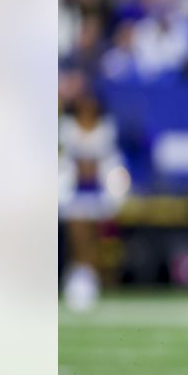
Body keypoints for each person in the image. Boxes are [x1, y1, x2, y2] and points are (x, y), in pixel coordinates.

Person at [59, 92, 127, 311]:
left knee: (101, 231)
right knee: (78, 225)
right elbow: (63, 165)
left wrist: (114, 194)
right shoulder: (66, 130)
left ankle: (90, 275)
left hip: (101, 192)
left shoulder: (107, 130)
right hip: (72, 192)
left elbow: (113, 165)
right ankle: (82, 272)